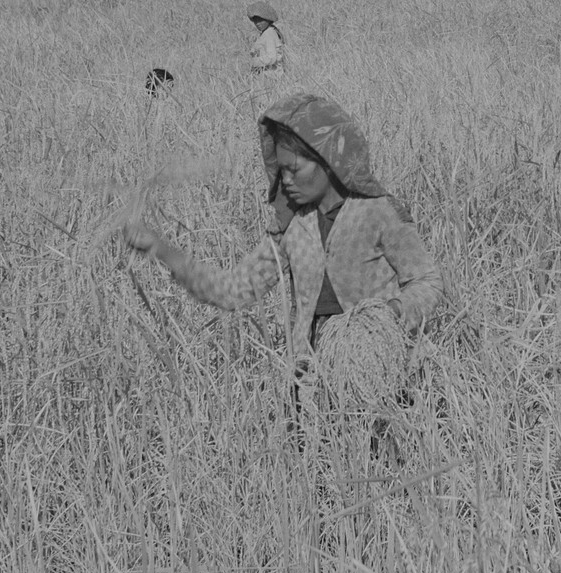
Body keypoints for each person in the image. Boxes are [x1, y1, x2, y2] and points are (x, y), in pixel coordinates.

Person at [121, 92, 441, 419]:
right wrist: (164, 251)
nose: (285, 181)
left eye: (294, 169)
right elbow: (234, 290)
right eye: (281, 170)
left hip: (382, 375)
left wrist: (390, 313)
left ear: (329, 159)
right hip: (312, 385)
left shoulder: (378, 213)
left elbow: (426, 282)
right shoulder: (291, 229)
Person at [248, 2, 286, 79]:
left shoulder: (269, 34)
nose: (258, 24)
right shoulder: (267, 32)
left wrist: (253, 62)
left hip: (270, 76)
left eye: (260, 20)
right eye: (255, 21)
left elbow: (271, 57)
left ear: (268, 19)